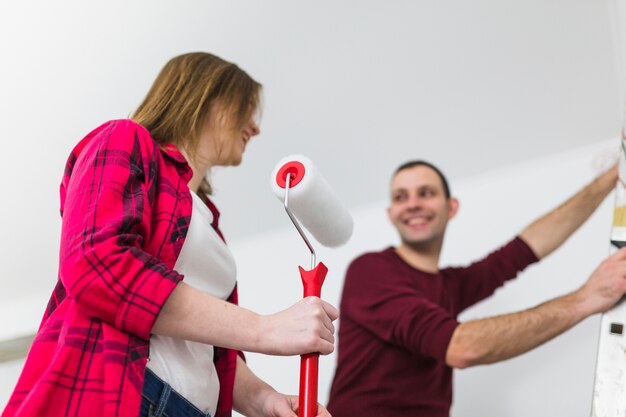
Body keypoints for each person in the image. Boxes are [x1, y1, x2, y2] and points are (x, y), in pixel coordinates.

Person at [3, 52, 337, 417]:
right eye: (247, 108)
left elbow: (205, 347)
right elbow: (98, 262)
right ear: (209, 97)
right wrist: (264, 329)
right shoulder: (124, 139)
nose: (255, 128)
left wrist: (263, 400)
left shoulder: (208, 221)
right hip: (126, 396)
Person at [327, 159, 626, 417]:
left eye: (426, 193)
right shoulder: (370, 270)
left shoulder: (451, 285)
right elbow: (462, 347)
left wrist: (614, 174)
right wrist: (586, 298)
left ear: (451, 207)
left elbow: (525, 248)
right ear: (391, 213)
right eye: (401, 197)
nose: (413, 204)